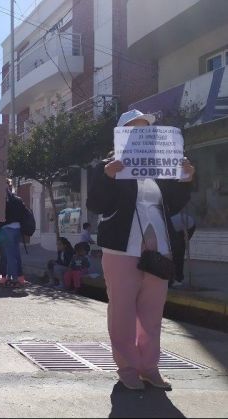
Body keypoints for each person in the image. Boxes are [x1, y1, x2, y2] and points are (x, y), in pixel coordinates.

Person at [87, 109, 195, 391]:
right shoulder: (106, 167)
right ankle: (128, 368)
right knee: (122, 312)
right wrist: (108, 177)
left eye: (145, 130)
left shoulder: (161, 166)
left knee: (152, 313)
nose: (141, 135)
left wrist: (185, 179)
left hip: (158, 250)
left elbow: (174, 202)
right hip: (122, 250)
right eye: (134, 130)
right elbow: (96, 204)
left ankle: (150, 367)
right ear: (122, 134)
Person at [0, 182, 29, 287]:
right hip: (17, 229)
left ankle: (14, 279)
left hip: (7, 230)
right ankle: (20, 278)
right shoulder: (18, 200)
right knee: (16, 254)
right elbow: (25, 213)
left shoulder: (3, 201)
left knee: (10, 256)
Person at [169, 212, 196, 288]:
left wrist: (186, 240)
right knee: (175, 252)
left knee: (178, 253)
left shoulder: (169, 225)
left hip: (189, 226)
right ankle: (174, 277)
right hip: (180, 227)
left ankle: (178, 279)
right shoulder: (166, 224)